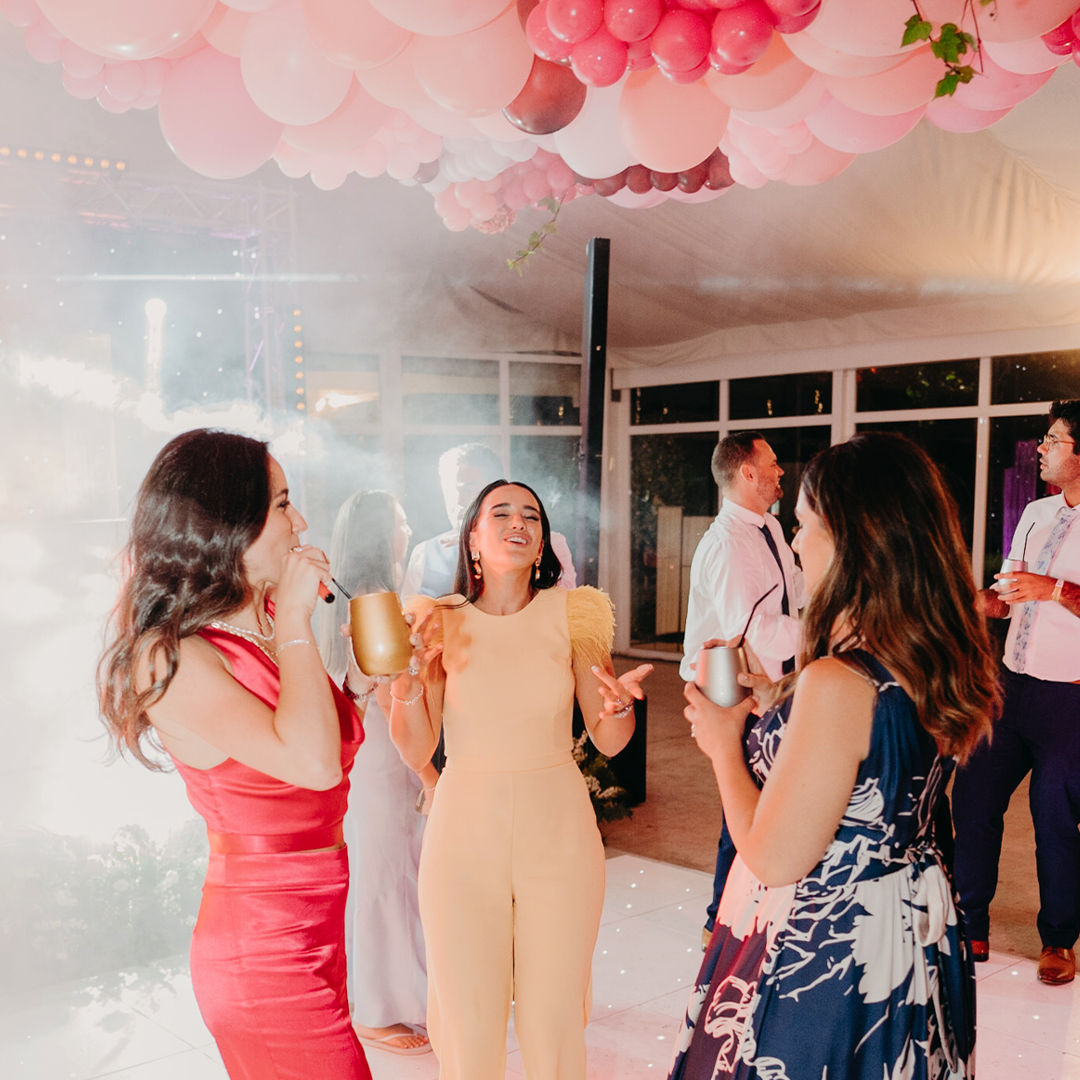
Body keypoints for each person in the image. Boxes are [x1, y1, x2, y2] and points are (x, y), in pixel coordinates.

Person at [669, 432, 998, 1080]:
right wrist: (780, 700)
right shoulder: (931, 656)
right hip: (913, 930)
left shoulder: (837, 682)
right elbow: (877, 761)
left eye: (805, 527)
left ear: (854, 539)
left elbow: (772, 857)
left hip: (837, 947)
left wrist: (721, 745)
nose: (794, 544)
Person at [97, 428, 373, 1080]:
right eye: (282, 504)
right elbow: (312, 763)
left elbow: (313, 777)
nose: (300, 521)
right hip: (261, 949)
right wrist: (300, 625)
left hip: (317, 928)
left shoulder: (264, 618)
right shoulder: (171, 654)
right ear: (225, 520)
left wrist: (361, 682)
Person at [388, 479, 652, 1080]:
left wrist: (619, 709)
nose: (519, 521)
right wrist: (405, 688)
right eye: (501, 512)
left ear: (541, 543)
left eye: (531, 515)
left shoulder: (575, 612)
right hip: (463, 830)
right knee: (467, 1016)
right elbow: (418, 748)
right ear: (473, 539)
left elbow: (608, 739)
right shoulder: (436, 621)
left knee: (552, 1018)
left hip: (557, 827)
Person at [952, 399, 1080, 985]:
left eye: (1055, 440)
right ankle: (968, 922)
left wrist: (1055, 589)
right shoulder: (1034, 511)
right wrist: (981, 602)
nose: (1043, 448)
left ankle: (1058, 942)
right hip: (1009, 685)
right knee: (973, 799)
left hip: (1069, 699)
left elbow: (1046, 589)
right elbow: (1009, 591)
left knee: (1055, 819)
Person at [318, 491, 434, 1054]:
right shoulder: (373, 598)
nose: (408, 526)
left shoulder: (342, 596)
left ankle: (393, 995)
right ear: (377, 534)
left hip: (368, 750)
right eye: (400, 519)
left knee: (386, 871)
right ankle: (378, 1008)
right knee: (387, 876)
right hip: (381, 751)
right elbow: (387, 687)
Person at [679, 432, 805, 947]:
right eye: (773, 464)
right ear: (747, 472)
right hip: (737, 690)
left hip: (767, 684)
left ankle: (740, 912)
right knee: (746, 801)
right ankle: (720, 922)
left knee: (764, 800)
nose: (781, 472)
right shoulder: (730, 543)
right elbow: (749, 634)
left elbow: (795, 597)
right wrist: (830, 641)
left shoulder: (768, 526)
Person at [401, 442, 576, 599]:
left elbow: (565, 608)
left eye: (468, 490)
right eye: (450, 492)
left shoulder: (545, 543)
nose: (458, 501)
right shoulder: (425, 554)